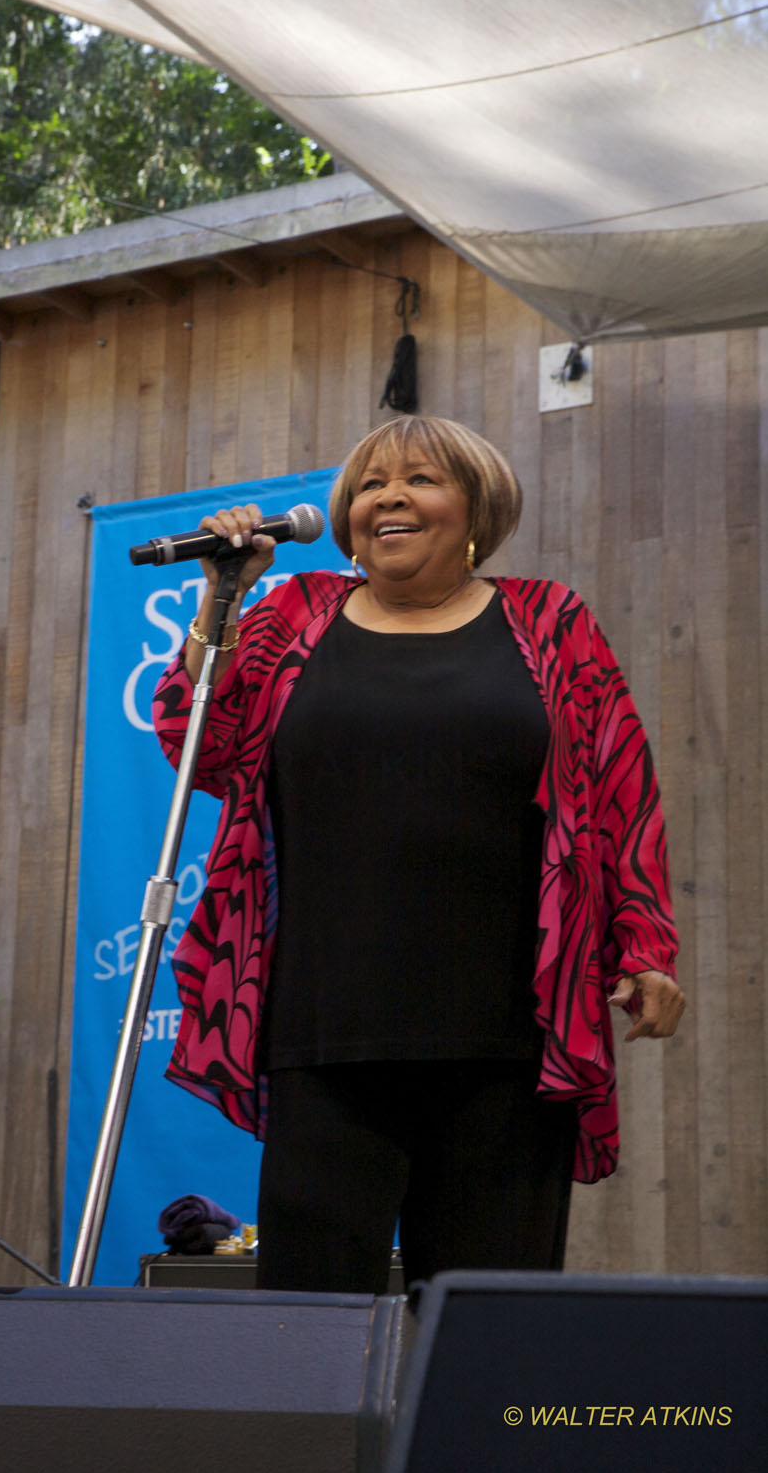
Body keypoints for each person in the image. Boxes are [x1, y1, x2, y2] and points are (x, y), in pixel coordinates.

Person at [153, 414, 684, 1295]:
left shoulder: (552, 623)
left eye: (420, 479)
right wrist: (224, 599)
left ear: (477, 508)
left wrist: (646, 948)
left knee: (486, 1341)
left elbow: (621, 795)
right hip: (325, 1037)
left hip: (509, 1042)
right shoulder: (294, 613)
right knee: (311, 1335)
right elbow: (196, 743)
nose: (388, 496)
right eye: (369, 485)